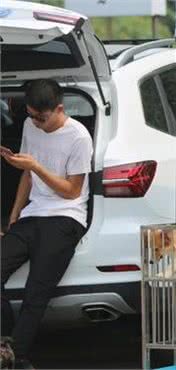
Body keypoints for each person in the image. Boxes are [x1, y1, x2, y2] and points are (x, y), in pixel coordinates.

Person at [0, 79, 93, 368]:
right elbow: (27, 177)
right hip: (33, 214)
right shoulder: (30, 126)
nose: (36, 122)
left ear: (59, 109)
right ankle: (5, 344)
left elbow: (72, 191)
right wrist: (15, 214)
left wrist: (36, 166)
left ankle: (17, 356)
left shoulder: (78, 137)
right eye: (30, 115)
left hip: (66, 216)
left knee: (36, 291)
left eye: (41, 117)